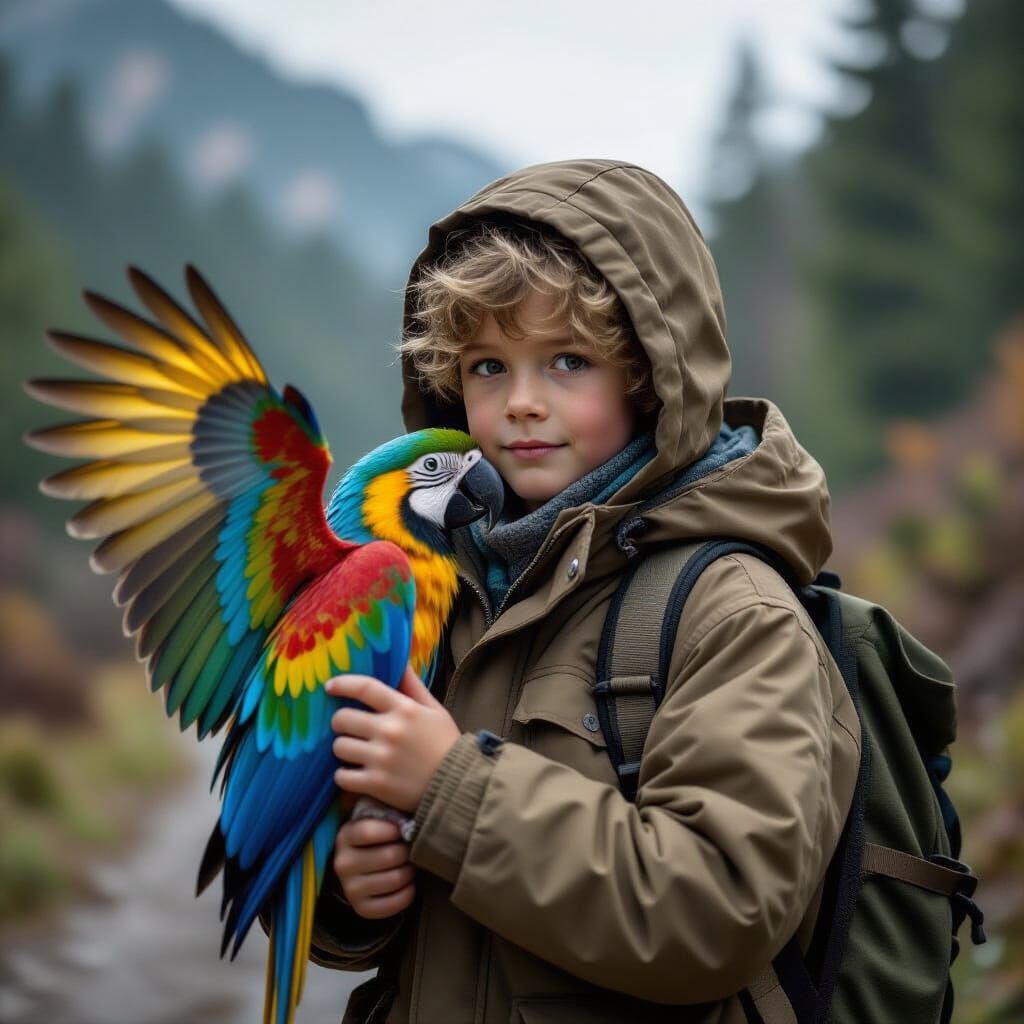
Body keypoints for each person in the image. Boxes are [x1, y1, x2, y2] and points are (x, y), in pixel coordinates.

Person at [313, 159, 861, 1024]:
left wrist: (452, 789)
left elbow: (721, 910)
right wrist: (351, 888)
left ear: (650, 376)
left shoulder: (732, 612)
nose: (522, 404)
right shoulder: (442, 595)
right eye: (488, 367)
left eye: (568, 360)